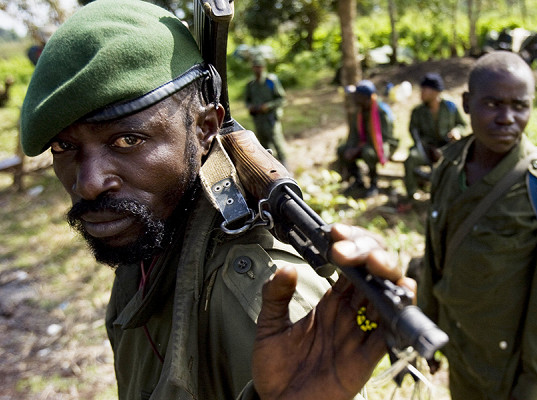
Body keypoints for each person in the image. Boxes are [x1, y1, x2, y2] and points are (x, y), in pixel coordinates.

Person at [20, 1, 415, 399]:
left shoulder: (257, 296)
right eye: (64, 146)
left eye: (128, 140)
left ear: (205, 128)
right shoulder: (147, 239)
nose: (88, 184)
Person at [418, 51, 537, 399]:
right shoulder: (449, 167)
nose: (507, 118)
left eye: (519, 106)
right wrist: (426, 327)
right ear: (466, 103)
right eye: (492, 104)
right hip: (459, 344)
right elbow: (435, 255)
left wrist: (535, 382)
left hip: (508, 366)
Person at [403, 73, 465, 199]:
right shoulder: (418, 111)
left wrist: (457, 132)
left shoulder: (450, 107)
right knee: (411, 159)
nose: (421, 93)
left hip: (449, 147)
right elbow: (414, 133)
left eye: (424, 89)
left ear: (435, 92)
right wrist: (429, 148)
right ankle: (412, 192)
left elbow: (462, 124)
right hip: (426, 148)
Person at [337, 80, 398, 197]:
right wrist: (351, 148)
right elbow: (354, 134)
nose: (354, 98)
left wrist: (359, 149)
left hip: (383, 145)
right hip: (364, 144)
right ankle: (358, 180)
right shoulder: (359, 111)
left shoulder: (381, 112)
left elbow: (383, 139)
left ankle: (373, 184)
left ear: (365, 97)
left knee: (368, 153)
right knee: (343, 150)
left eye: (357, 96)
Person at [245, 55, 288, 166]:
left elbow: (281, 99)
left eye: (260, 66)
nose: (258, 69)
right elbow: (247, 101)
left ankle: (285, 166)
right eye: (255, 67)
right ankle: (270, 166)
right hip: (258, 119)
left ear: (264, 67)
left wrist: (268, 106)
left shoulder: (271, 81)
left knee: (277, 142)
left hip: (271, 118)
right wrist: (250, 107)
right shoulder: (251, 84)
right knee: (263, 145)